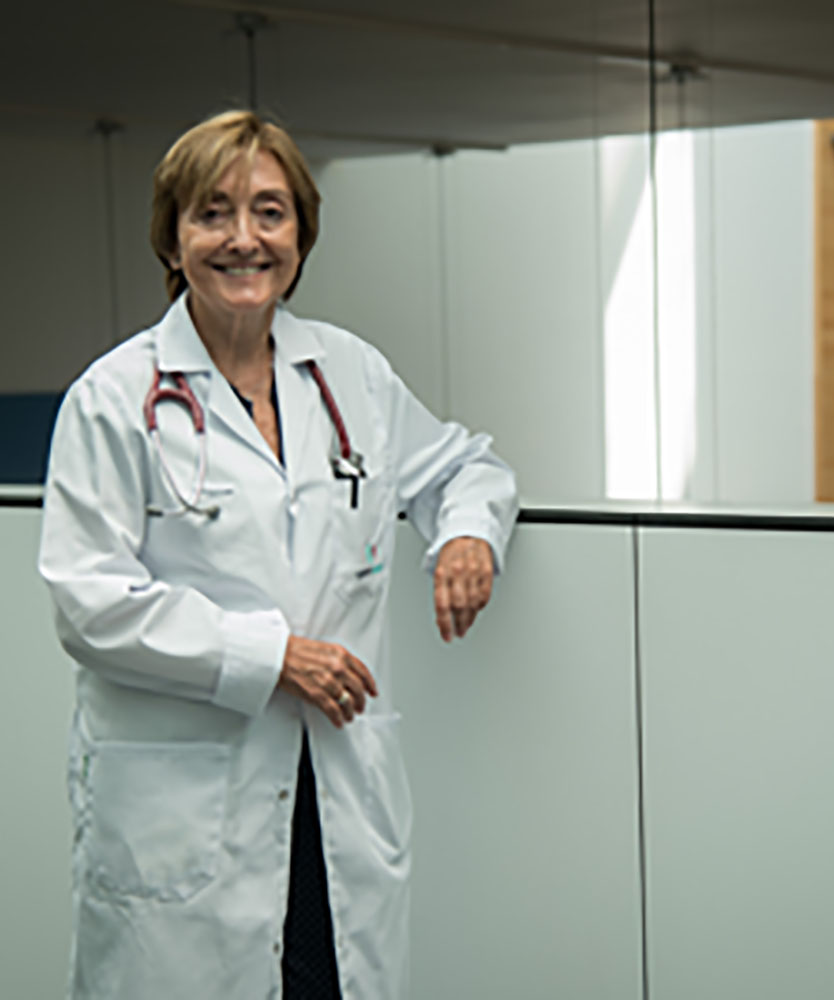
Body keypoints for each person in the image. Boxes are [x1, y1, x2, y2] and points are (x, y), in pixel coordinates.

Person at [38, 109, 517, 1000]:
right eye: (212, 213)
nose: (244, 239)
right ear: (172, 239)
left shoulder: (350, 374)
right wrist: (271, 658)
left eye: (270, 211)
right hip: (186, 804)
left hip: (333, 791)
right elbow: (88, 600)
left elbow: (468, 466)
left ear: (301, 234)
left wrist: (465, 535)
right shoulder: (113, 398)